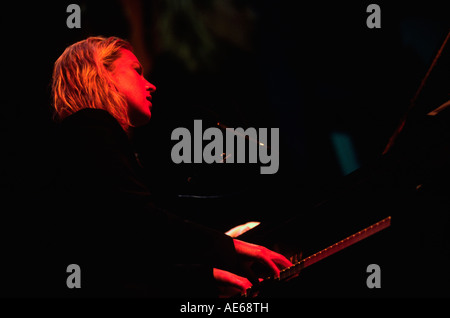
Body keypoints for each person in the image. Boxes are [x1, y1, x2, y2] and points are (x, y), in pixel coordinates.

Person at [50, 36, 292, 297]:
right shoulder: (91, 128)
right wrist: (237, 247)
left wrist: (206, 276)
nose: (151, 85)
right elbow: (143, 223)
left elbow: (124, 257)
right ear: (101, 72)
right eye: (137, 71)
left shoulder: (88, 136)